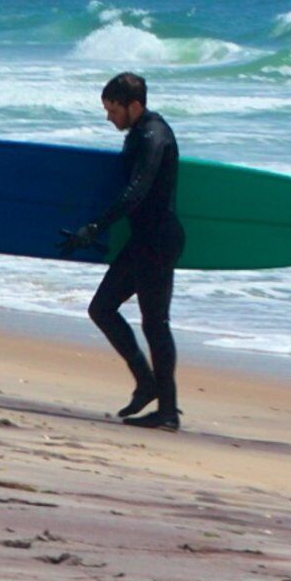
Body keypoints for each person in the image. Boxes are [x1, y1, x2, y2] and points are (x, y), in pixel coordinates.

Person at [60, 70, 188, 430]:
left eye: (113, 110)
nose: (109, 117)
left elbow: (137, 192)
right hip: (145, 239)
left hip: (158, 241)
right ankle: (148, 385)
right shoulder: (140, 133)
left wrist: (96, 228)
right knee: (103, 308)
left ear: (134, 105)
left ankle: (166, 410)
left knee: (155, 324)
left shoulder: (153, 136)